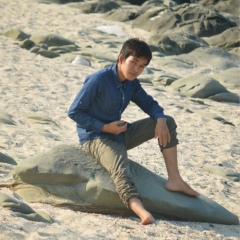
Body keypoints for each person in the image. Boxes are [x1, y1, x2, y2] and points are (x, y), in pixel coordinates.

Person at [68, 38, 199, 225]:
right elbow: (75, 112)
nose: (136, 69)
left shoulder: (132, 83)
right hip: (96, 138)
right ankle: (141, 211)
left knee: (168, 122)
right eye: (133, 63)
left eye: (142, 66)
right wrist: (105, 127)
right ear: (121, 58)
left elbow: (149, 103)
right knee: (121, 171)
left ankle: (175, 179)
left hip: (120, 132)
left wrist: (160, 119)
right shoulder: (98, 80)